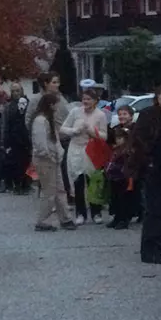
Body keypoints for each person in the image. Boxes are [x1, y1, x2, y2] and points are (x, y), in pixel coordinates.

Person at [131, 83, 161, 264]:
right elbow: (138, 141)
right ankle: (149, 250)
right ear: (157, 96)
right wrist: (147, 162)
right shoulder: (148, 114)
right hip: (153, 166)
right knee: (154, 210)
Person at [61, 88, 109, 225]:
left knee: (93, 182)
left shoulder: (100, 115)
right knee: (78, 182)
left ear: (95, 101)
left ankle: (96, 212)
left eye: (89, 99)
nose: (86, 101)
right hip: (76, 149)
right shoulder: (75, 112)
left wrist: (91, 131)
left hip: (92, 149)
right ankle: (80, 213)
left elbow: (104, 136)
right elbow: (63, 128)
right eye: (84, 99)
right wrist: (74, 131)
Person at [31, 93, 77, 232]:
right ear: (50, 105)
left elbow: (55, 139)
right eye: (56, 104)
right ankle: (42, 220)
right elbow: (40, 143)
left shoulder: (48, 119)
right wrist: (49, 155)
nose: (58, 107)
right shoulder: (40, 120)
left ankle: (65, 218)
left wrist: (59, 153)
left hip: (53, 158)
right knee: (49, 191)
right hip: (45, 159)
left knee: (60, 189)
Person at [0, 82, 31, 194]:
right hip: (13, 139)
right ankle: (17, 184)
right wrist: (4, 142)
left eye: (18, 90)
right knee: (15, 163)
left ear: (22, 91)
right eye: (13, 91)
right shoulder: (8, 107)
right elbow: (5, 125)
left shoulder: (28, 104)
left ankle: (26, 184)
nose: (16, 93)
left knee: (26, 162)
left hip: (26, 138)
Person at [104, 127, 135, 230]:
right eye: (117, 138)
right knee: (115, 199)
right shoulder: (116, 150)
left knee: (123, 200)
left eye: (121, 138)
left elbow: (128, 166)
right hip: (115, 178)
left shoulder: (128, 151)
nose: (118, 140)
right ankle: (117, 218)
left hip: (123, 178)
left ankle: (124, 219)